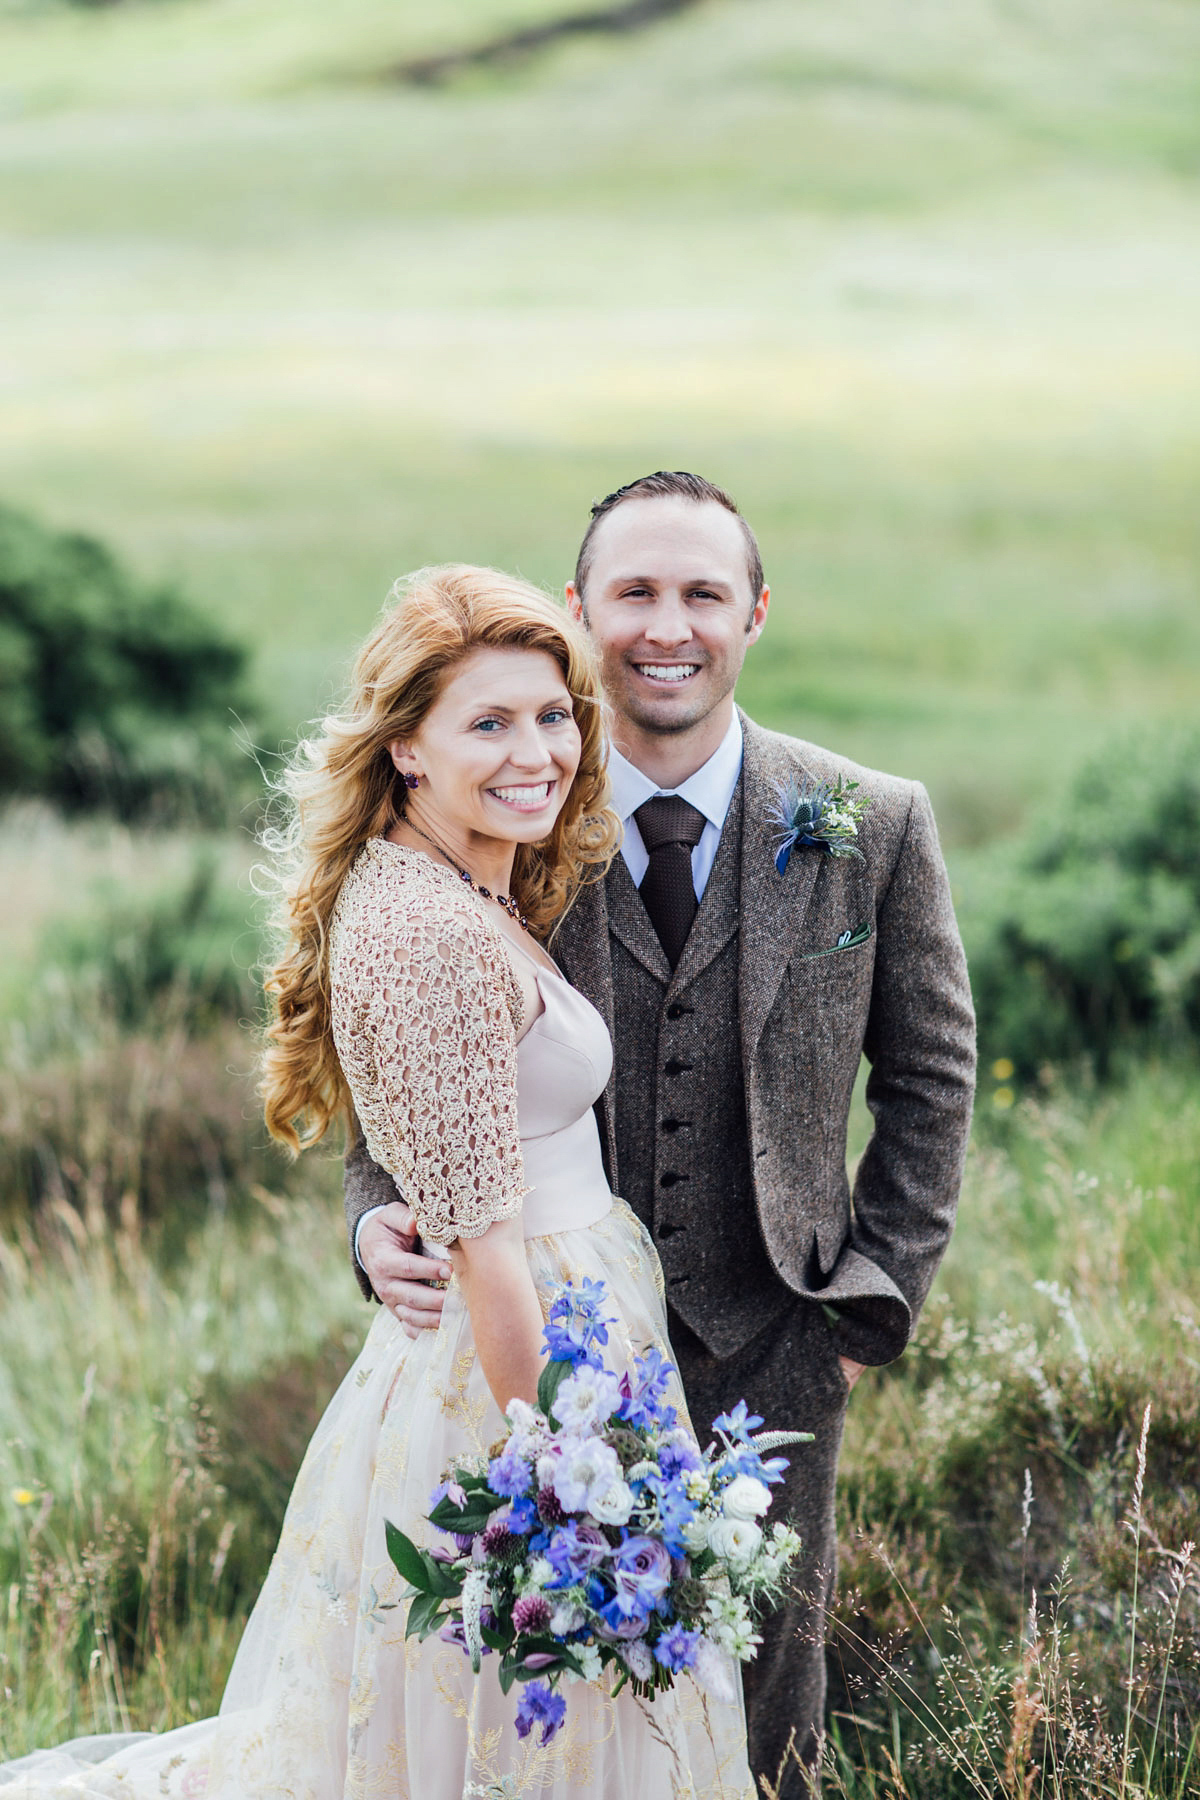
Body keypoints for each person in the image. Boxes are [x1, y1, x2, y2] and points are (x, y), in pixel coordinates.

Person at [0, 566, 754, 1798]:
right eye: (490, 724)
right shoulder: (426, 928)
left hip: (564, 1340)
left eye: (554, 714)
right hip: (511, 1383)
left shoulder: (468, 877)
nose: (540, 751)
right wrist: (576, 1503)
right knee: (503, 1734)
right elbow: (487, 1247)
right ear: (405, 746)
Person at [345, 473, 977, 1794]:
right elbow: (407, 1040)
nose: (666, 626)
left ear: (756, 611)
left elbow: (932, 1074)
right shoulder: (512, 806)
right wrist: (373, 1214)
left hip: (781, 1353)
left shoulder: (874, 822)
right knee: (536, 1715)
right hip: (541, 1347)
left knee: (758, 1720)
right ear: (580, 612)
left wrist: (870, 1305)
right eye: (633, 592)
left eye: (701, 592)